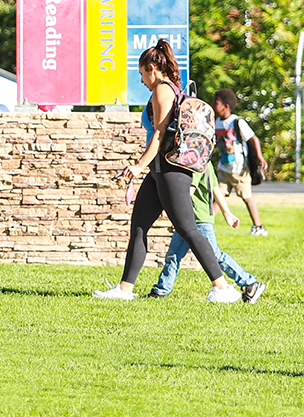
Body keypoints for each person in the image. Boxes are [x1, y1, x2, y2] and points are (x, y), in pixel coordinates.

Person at [94, 39, 233, 302]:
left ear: (152, 69)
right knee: (139, 225)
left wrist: (137, 166)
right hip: (159, 170)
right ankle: (124, 289)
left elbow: (159, 136)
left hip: (171, 170)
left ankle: (222, 288)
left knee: (188, 228)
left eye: (141, 74)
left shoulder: (161, 91)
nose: (141, 80)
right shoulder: (166, 89)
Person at [148, 162, 266, 302]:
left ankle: (249, 283)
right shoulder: (206, 162)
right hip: (188, 219)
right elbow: (216, 190)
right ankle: (160, 291)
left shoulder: (195, 162)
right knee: (174, 255)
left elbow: (188, 191)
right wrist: (226, 212)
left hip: (199, 219)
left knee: (214, 255)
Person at [211, 88, 269, 236]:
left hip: (240, 169)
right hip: (224, 168)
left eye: (216, 103)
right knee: (219, 196)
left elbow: (253, 138)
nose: (214, 105)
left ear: (225, 106)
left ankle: (258, 226)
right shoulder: (216, 122)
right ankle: (208, 224)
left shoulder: (237, 122)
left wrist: (260, 157)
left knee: (247, 197)